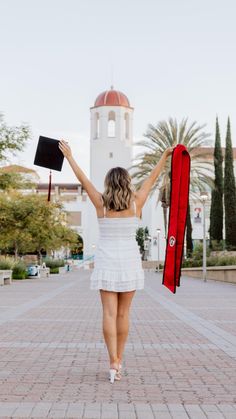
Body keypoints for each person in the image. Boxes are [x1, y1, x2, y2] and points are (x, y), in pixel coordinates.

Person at [59, 139, 173, 383]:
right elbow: (152, 179)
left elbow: (83, 180)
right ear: (127, 183)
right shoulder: (136, 202)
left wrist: (69, 156)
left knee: (109, 313)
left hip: (107, 262)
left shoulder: (101, 204)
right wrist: (164, 157)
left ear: (109, 184)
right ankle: (119, 359)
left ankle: (112, 361)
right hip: (130, 262)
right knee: (124, 313)